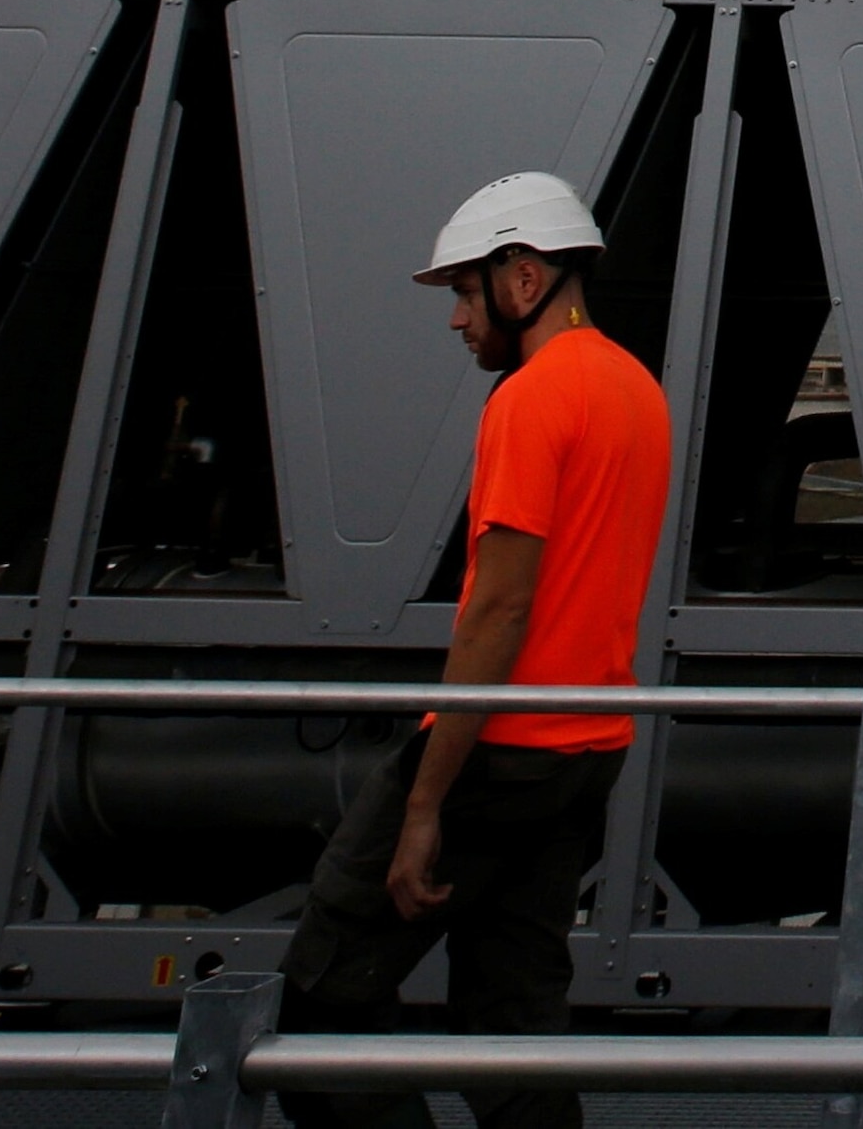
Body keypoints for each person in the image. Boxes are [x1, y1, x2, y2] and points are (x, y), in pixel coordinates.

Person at [278, 170, 672, 1129]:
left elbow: (498, 613)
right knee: (512, 1023)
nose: (458, 320)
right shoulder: (637, 391)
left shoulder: (532, 399)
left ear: (525, 279)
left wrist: (424, 803)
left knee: (317, 1010)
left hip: (497, 753)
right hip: (586, 752)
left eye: (464, 292)